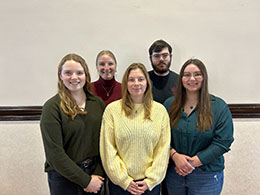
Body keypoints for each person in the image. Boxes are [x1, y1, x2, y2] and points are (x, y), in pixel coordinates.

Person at [163, 59, 234, 195]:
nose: (192, 79)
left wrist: (193, 162)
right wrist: (175, 155)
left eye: (197, 74)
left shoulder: (218, 106)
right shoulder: (169, 105)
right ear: (181, 79)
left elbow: (223, 141)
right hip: (175, 173)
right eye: (186, 75)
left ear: (204, 77)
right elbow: (161, 137)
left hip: (206, 174)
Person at [100, 63, 171, 195]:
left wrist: (151, 180)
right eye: (131, 80)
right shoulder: (112, 110)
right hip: (120, 186)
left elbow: (163, 148)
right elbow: (107, 149)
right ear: (125, 84)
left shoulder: (160, 111)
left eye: (141, 79)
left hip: (149, 185)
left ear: (147, 83)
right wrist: (124, 181)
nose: (136, 83)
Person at [40, 53, 105, 195]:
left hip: (95, 176)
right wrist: (85, 180)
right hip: (64, 179)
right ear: (60, 76)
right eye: (68, 73)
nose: (74, 77)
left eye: (79, 73)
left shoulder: (97, 104)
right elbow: (55, 155)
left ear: (86, 75)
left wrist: (97, 177)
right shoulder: (52, 107)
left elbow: (103, 143)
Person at [148, 39, 179, 104]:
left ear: (170, 57)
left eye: (165, 55)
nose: (161, 59)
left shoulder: (179, 81)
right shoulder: (143, 80)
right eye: (156, 56)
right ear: (150, 59)